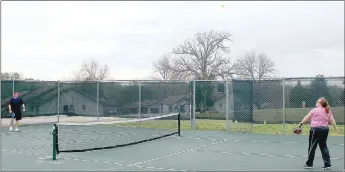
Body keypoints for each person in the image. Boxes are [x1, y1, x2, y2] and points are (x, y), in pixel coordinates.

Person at [299, 97, 338, 170]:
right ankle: (327, 164)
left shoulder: (314, 110)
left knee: (312, 147)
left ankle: (309, 164)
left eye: (317, 101)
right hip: (325, 130)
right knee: (323, 146)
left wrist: (301, 123)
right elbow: (332, 120)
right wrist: (336, 129)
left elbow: (307, 118)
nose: (316, 102)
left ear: (320, 103)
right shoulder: (328, 110)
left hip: (315, 130)